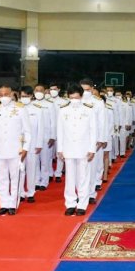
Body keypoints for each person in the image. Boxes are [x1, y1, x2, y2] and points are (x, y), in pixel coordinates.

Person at [0, 85, 31, 216]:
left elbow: (27, 131)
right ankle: (4, 204)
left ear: (12, 94)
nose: (4, 96)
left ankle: (13, 204)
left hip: (16, 150)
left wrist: (25, 148)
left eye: (6, 94)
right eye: (1, 94)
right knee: (1, 178)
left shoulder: (20, 109)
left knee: (15, 177)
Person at [57, 84, 97, 216]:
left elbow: (93, 130)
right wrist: (60, 149)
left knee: (83, 177)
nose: (74, 99)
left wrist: (92, 148)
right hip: (68, 148)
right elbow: (60, 131)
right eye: (71, 97)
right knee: (70, 177)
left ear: (81, 96)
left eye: (76, 97)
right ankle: (70, 203)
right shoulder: (63, 110)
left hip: (83, 148)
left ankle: (82, 204)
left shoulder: (89, 110)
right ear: (68, 97)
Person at [80, 79, 106, 205]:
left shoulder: (98, 103)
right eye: (82, 89)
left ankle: (90, 194)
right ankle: (81, 193)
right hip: (78, 140)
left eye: (87, 90)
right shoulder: (74, 102)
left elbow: (102, 121)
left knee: (91, 167)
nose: (85, 92)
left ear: (91, 89)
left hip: (93, 139)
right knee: (80, 170)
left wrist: (101, 138)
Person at [18, 86, 45, 204]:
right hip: (19, 144)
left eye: (27, 96)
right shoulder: (16, 109)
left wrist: (39, 144)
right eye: (22, 96)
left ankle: (30, 192)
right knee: (20, 169)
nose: (24, 98)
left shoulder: (38, 109)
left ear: (31, 96)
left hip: (33, 144)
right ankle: (20, 192)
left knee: (31, 169)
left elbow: (41, 128)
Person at [31, 84, 56, 190]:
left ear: (45, 92)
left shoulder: (50, 104)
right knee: (35, 161)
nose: (39, 92)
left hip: (46, 137)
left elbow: (53, 121)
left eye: (41, 90)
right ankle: (36, 181)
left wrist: (53, 136)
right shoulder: (31, 104)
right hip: (34, 137)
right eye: (36, 90)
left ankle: (44, 181)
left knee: (45, 160)